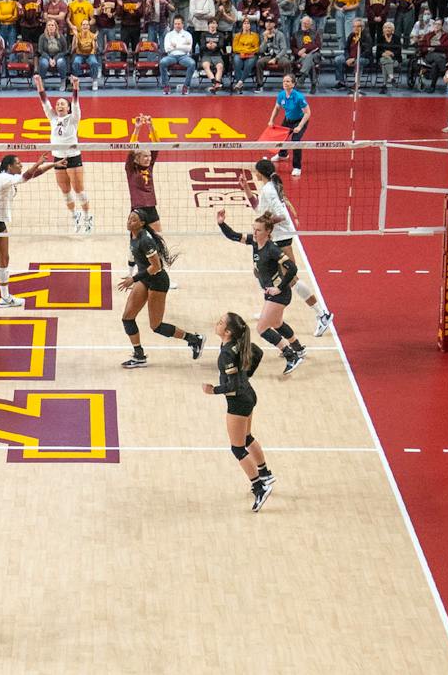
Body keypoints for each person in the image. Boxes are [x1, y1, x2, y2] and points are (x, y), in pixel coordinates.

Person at [217, 209, 307, 376]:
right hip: (271, 293)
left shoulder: (272, 249)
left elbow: (292, 268)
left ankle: (291, 356)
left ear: (268, 232)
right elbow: (234, 236)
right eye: (254, 229)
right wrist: (221, 223)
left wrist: (279, 288)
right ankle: (298, 348)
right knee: (277, 324)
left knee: (262, 328)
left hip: (279, 294)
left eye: (258, 230)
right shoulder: (254, 241)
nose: (255, 232)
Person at [254, 156, 332, 335]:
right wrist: (246, 190)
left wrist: (265, 224)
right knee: (263, 272)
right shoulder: (267, 188)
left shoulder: (269, 190)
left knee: (291, 279)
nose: (254, 172)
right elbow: (258, 209)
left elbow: (280, 215)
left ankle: (322, 314)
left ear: (260, 172)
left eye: (255, 170)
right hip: (276, 236)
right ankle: (269, 310)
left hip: (281, 237)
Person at [0, 152, 55, 320]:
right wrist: (37, 161)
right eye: (18, 163)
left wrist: (53, 165)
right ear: (9, 166)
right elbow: (26, 176)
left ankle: (5, 298)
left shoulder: (10, 176)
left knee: (4, 259)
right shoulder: (3, 178)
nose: (21, 165)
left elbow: (32, 175)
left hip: (0, 223)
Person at [206, 312, 273, 510]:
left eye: (220, 323)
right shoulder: (238, 343)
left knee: (237, 448)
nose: (216, 323)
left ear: (227, 332)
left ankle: (259, 487)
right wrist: (246, 377)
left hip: (238, 402)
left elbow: (232, 386)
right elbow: (258, 352)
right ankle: (265, 473)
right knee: (246, 437)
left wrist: (213, 390)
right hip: (249, 395)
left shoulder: (227, 352)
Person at [119, 210, 202, 369]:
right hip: (145, 279)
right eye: (129, 218)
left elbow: (156, 266)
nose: (130, 221)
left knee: (156, 326)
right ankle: (139, 356)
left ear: (142, 223)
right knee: (127, 318)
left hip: (157, 281)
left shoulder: (145, 241)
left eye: (134, 220)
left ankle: (194, 339)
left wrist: (133, 278)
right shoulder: (133, 234)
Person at [34, 73, 90, 233]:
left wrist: (76, 86)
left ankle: (87, 217)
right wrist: (39, 82)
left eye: (62, 104)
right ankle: (75, 217)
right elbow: (44, 101)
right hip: (57, 157)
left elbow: (76, 103)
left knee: (78, 190)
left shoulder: (74, 118)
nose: (59, 105)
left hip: (73, 157)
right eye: (58, 103)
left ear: (68, 108)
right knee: (65, 191)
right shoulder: (52, 118)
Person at [266, 76, 311, 176]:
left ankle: (297, 167)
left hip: (300, 121)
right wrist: (271, 120)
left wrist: (299, 126)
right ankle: (283, 155)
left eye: (288, 81)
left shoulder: (299, 97)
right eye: (284, 81)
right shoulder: (281, 95)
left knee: (295, 142)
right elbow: (277, 108)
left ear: (293, 84)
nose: (285, 83)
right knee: (281, 137)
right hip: (288, 120)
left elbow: (308, 113)